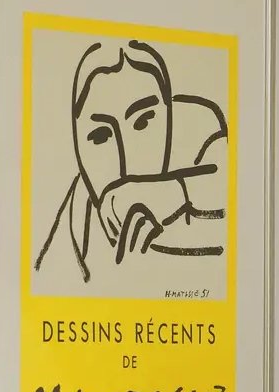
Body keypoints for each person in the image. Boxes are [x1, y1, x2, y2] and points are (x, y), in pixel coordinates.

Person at [35, 38, 230, 286]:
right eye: (100, 136)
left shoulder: (201, 132)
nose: (125, 162)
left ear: (169, 115)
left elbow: (243, 190)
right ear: (76, 143)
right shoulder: (77, 218)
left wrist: (171, 191)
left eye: (143, 122)